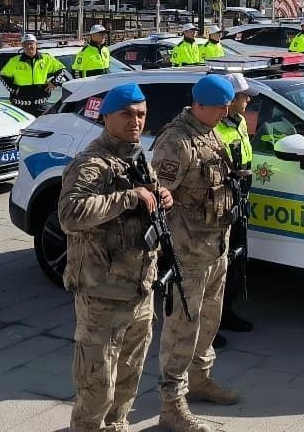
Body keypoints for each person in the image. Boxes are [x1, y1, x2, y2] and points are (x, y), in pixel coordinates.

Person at [59, 83, 171, 432]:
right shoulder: (91, 163)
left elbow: (143, 201)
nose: (135, 121)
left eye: (140, 114)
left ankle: (118, 425)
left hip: (139, 288)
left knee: (129, 376)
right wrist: (127, 197)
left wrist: (159, 195)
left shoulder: (135, 155)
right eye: (126, 114)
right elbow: (69, 214)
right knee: (96, 385)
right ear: (106, 116)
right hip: (103, 292)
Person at [153, 75, 243, 431]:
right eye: (220, 106)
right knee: (182, 327)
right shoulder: (176, 142)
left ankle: (201, 379)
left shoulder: (211, 131)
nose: (226, 111)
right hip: (188, 252)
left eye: (227, 105)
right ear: (200, 105)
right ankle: (171, 403)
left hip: (215, 244)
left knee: (209, 319)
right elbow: (158, 195)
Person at [213, 73, 254, 343]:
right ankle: (209, 326)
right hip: (218, 203)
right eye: (243, 96)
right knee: (214, 267)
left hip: (239, 200)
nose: (248, 100)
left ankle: (225, 312)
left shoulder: (238, 121)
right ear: (230, 100)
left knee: (235, 261)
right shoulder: (215, 126)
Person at [0, 33, 67, 116]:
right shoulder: (14, 61)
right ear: (22, 46)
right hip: (20, 106)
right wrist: (14, 89)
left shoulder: (46, 58)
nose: (28, 47)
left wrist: (54, 83)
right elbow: (3, 76)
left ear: (36, 44)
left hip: (40, 105)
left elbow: (62, 70)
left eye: (31, 43)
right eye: (25, 44)